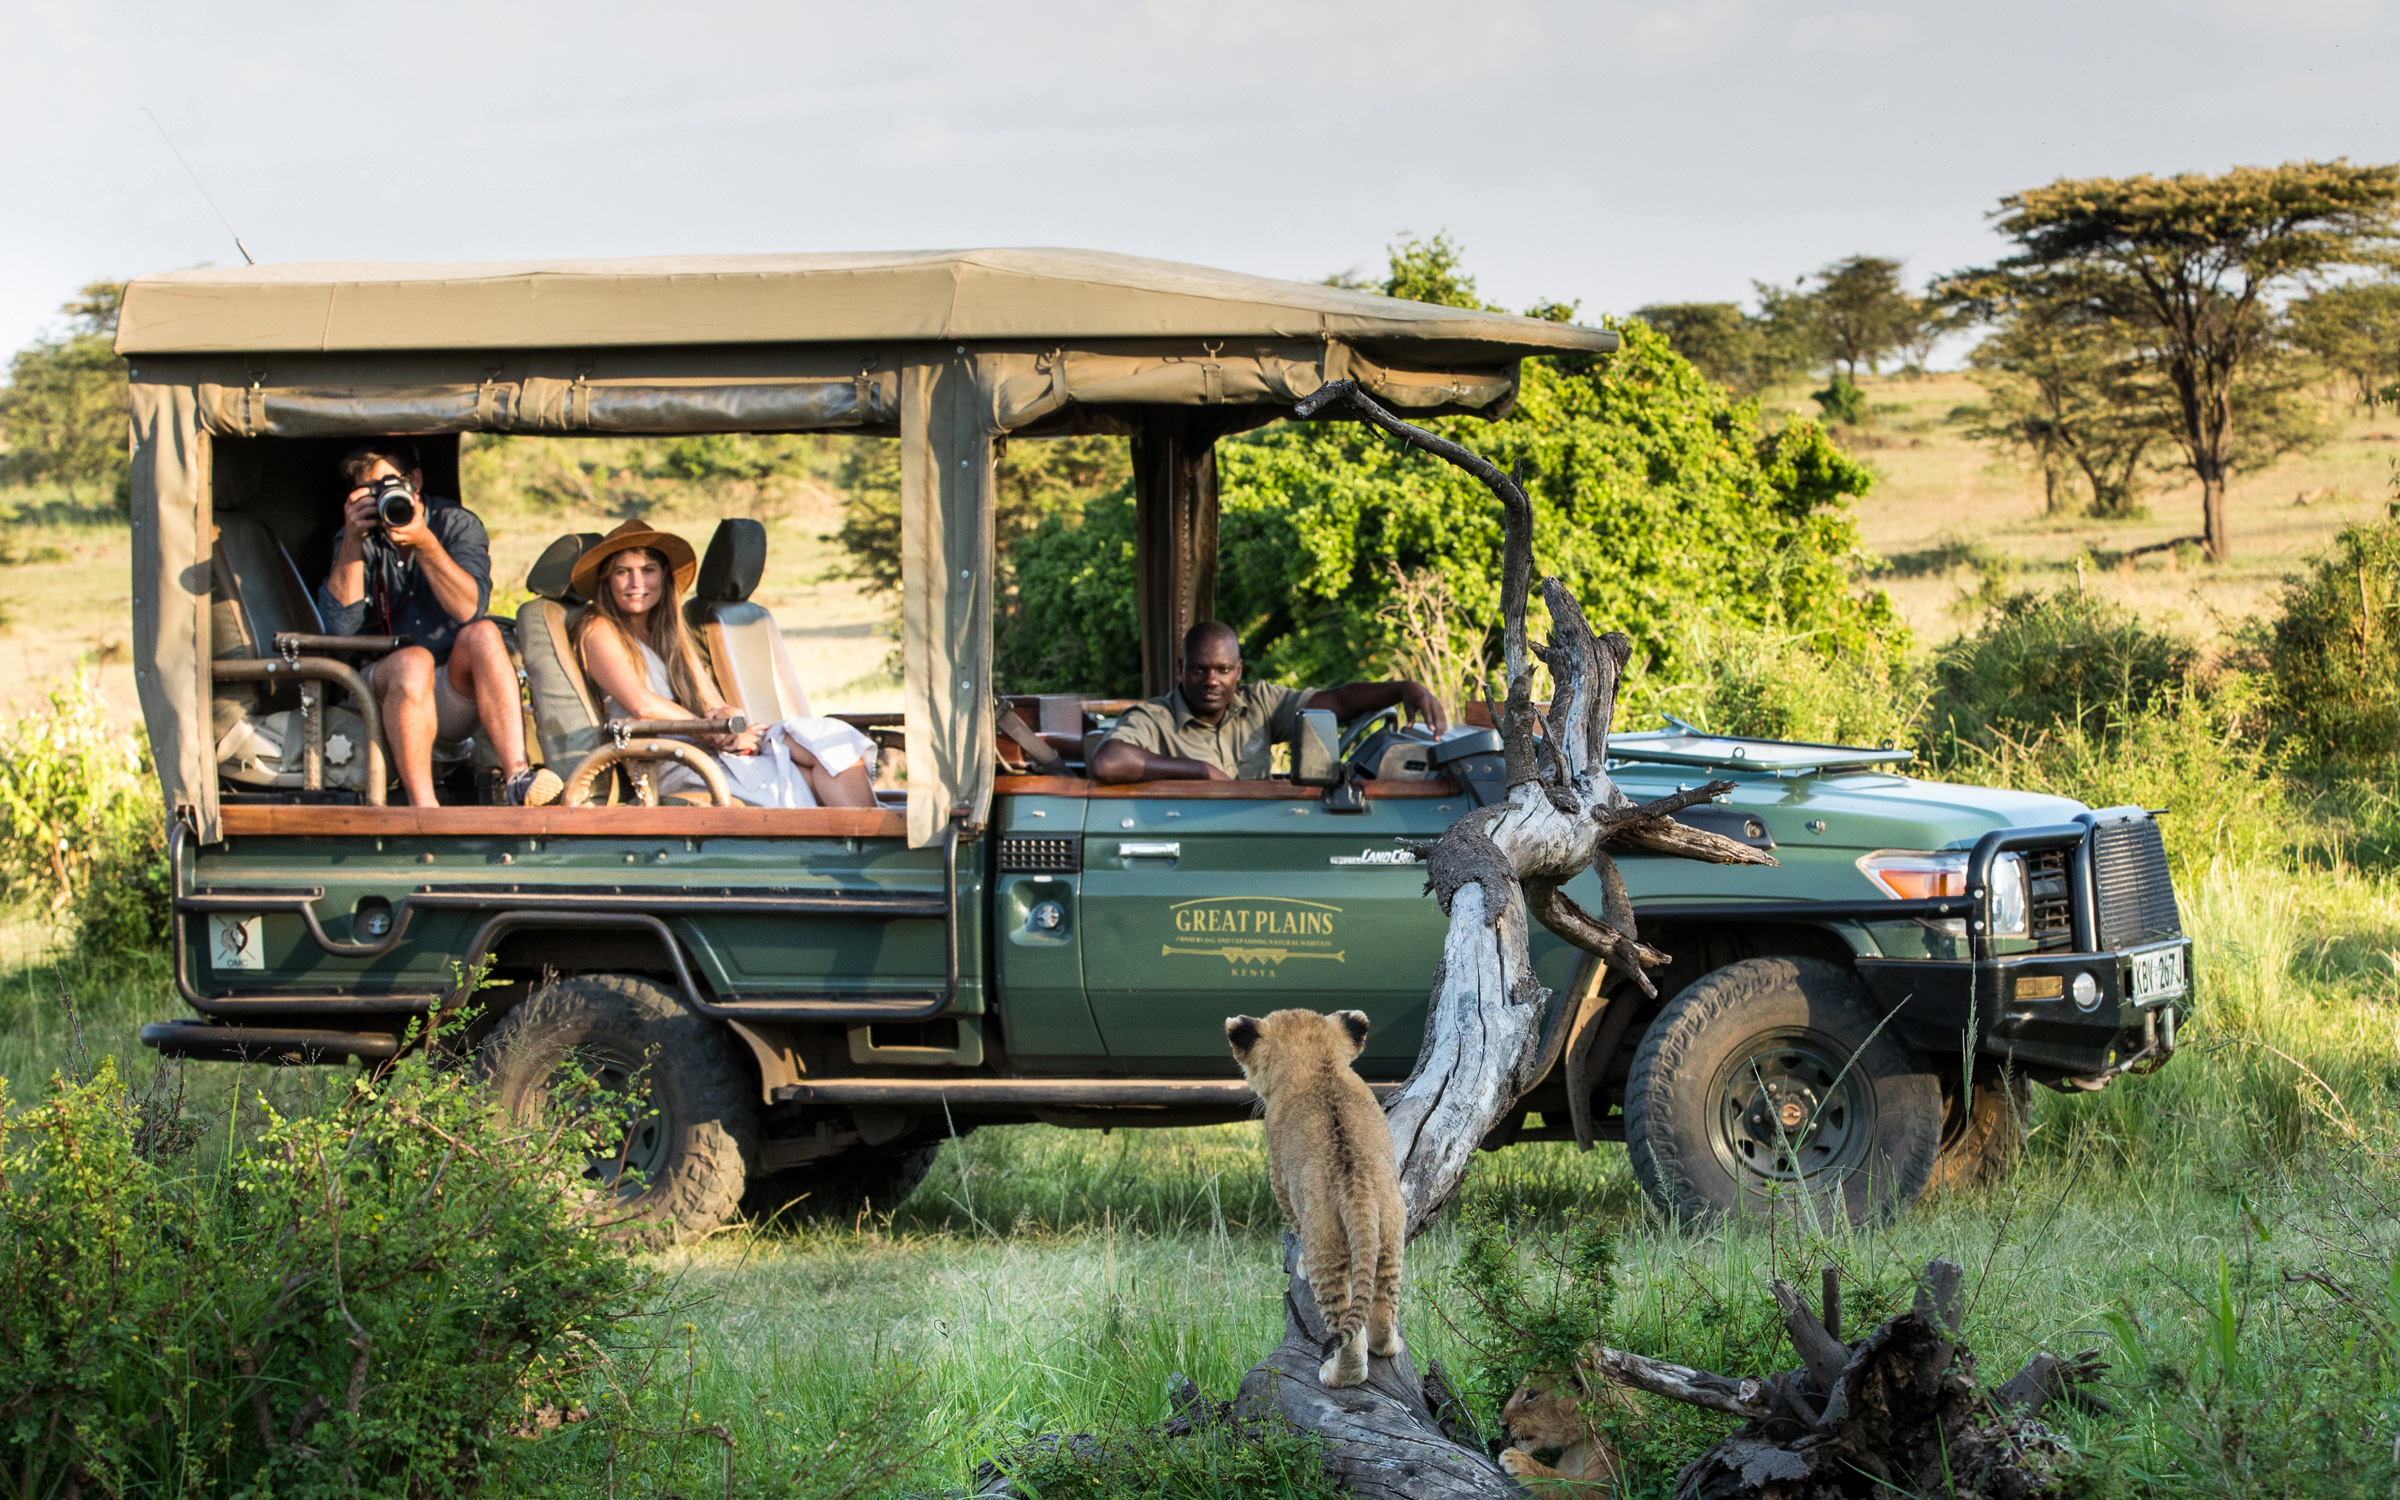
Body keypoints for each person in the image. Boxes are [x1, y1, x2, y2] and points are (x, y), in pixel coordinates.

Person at [569, 521, 877, 809]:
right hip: (670, 758)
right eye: (623, 572)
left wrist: (734, 726)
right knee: (815, 780)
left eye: (647, 570)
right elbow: (643, 706)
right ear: (607, 579)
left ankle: (864, 844)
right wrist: (711, 731)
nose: (637, 583)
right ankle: (865, 848)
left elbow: (715, 701)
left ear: (663, 574)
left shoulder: (669, 631)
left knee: (832, 746)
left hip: (707, 744)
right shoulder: (598, 629)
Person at [314, 441, 554, 808]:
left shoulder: (455, 524)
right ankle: (424, 808)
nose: (382, 497)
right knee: (415, 661)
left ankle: (517, 777)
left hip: (449, 688)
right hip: (379, 687)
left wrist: (424, 542)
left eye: (389, 484)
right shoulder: (357, 535)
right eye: (369, 490)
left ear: (415, 481)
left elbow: (468, 609)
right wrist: (351, 540)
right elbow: (338, 629)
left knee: (484, 634)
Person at [1091, 620, 1448, 783]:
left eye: (1223, 669)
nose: (1212, 680)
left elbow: (1337, 700)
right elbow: (1108, 762)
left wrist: (1403, 689)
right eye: (1199, 670)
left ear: (1238, 670)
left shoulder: (1260, 702)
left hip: (1260, 833)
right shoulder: (1156, 717)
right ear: (1181, 668)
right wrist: (1199, 772)